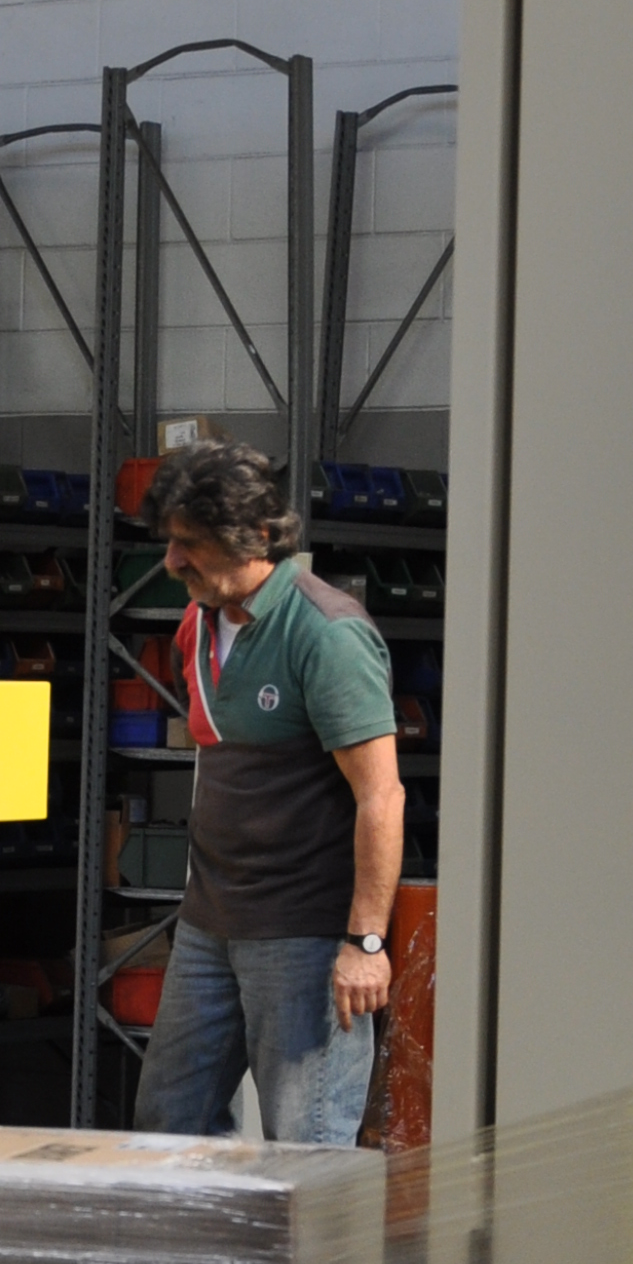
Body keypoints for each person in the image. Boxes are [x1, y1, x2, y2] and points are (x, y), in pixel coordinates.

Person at [128, 438, 402, 1145]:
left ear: (253, 536)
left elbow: (381, 798)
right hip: (209, 925)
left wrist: (365, 942)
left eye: (190, 543)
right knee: (169, 1128)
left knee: (306, 1146)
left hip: (304, 936)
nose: (172, 561)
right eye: (169, 542)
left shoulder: (326, 633)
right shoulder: (197, 624)